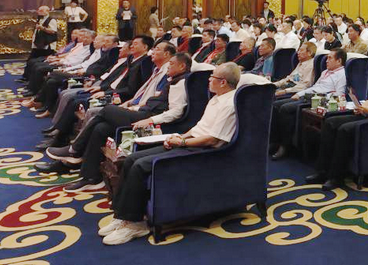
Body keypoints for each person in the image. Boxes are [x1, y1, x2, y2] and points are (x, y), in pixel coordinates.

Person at [99, 62, 242, 245]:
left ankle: (136, 224)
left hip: (203, 151)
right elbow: (199, 127)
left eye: (212, 77)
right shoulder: (216, 98)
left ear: (223, 82)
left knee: (140, 166)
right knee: (131, 159)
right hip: (191, 142)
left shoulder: (229, 104)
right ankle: (122, 216)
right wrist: (180, 137)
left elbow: (212, 139)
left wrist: (182, 142)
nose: (208, 79)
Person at [48, 51, 191, 190]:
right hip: (145, 112)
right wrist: (134, 108)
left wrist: (150, 120)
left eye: (172, 64)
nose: (169, 66)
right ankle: (91, 177)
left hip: (150, 118)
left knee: (107, 110)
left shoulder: (180, 82)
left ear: (182, 66)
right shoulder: (174, 80)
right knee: (101, 128)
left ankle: (75, 149)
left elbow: (176, 112)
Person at [307, 54, 368, 191]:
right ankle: (322, 171)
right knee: (330, 122)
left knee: (344, 129)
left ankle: (336, 176)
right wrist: (362, 107)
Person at [270, 48, 348, 160]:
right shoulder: (325, 72)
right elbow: (314, 87)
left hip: (319, 99)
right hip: (308, 95)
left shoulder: (341, 75)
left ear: (339, 61)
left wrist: (317, 97)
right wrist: (299, 94)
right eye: (327, 58)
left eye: (330, 58)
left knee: (285, 109)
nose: (326, 61)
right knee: (276, 105)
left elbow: (339, 95)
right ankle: (275, 141)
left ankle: (285, 146)